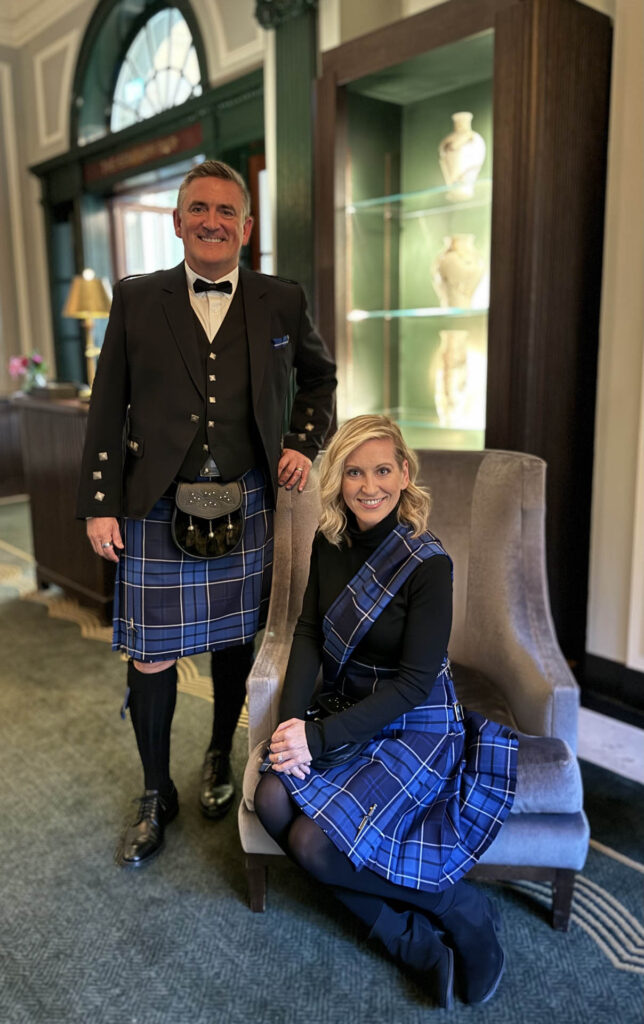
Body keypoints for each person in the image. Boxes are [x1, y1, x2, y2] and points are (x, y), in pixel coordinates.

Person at [76, 159, 336, 869]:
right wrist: (100, 504)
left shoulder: (281, 299)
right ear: (178, 221)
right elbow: (107, 405)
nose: (213, 221)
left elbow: (319, 378)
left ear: (246, 226)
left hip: (247, 500)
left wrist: (302, 442)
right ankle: (156, 791)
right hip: (158, 501)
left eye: (226, 210)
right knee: (153, 655)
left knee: (233, 646)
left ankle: (218, 757)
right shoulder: (136, 299)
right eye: (199, 209)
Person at [254, 414, 518, 1008]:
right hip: (347, 706)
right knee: (272, 798)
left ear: (404, 475)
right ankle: (413, 942)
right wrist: (290, 727)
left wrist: (316, 742)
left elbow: (415, 684)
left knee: (314, 845)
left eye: (381, 470)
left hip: (415, 721)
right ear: (338, 479)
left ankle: (457, 906)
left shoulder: (428, 563)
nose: (367, 485)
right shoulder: (329, 539)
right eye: (353, 472)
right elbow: (309, 630)